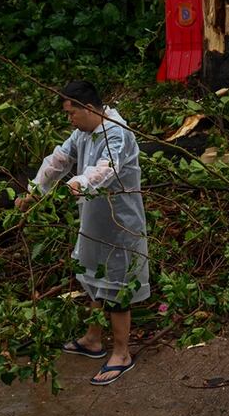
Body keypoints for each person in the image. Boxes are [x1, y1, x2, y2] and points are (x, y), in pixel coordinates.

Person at [15, 81, 150, 386]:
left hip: (120, 224)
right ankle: (93, 339)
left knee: (118, 286)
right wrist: (35, 191)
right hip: (93, 219)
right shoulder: (82, 133)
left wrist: (82, 182)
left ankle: (122, 353)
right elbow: (59, 160)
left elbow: (107, 168)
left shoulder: (118, 132)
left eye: (71, 112)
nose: (69, 119)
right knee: (92, 278)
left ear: (89, 108)